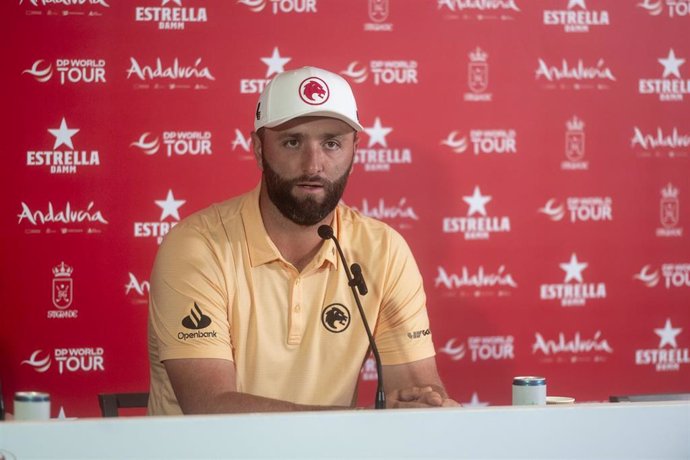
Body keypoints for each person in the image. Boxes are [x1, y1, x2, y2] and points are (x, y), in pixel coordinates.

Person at [147, 66, 458, 415]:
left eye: (331, 143)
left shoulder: (384, 250)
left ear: (354, 151)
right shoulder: (197, 246)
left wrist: (428, 407)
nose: (314, 165)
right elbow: (210, 407)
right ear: (258, 148)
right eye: (292, 142)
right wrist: (362, 422)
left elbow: (416, 390)